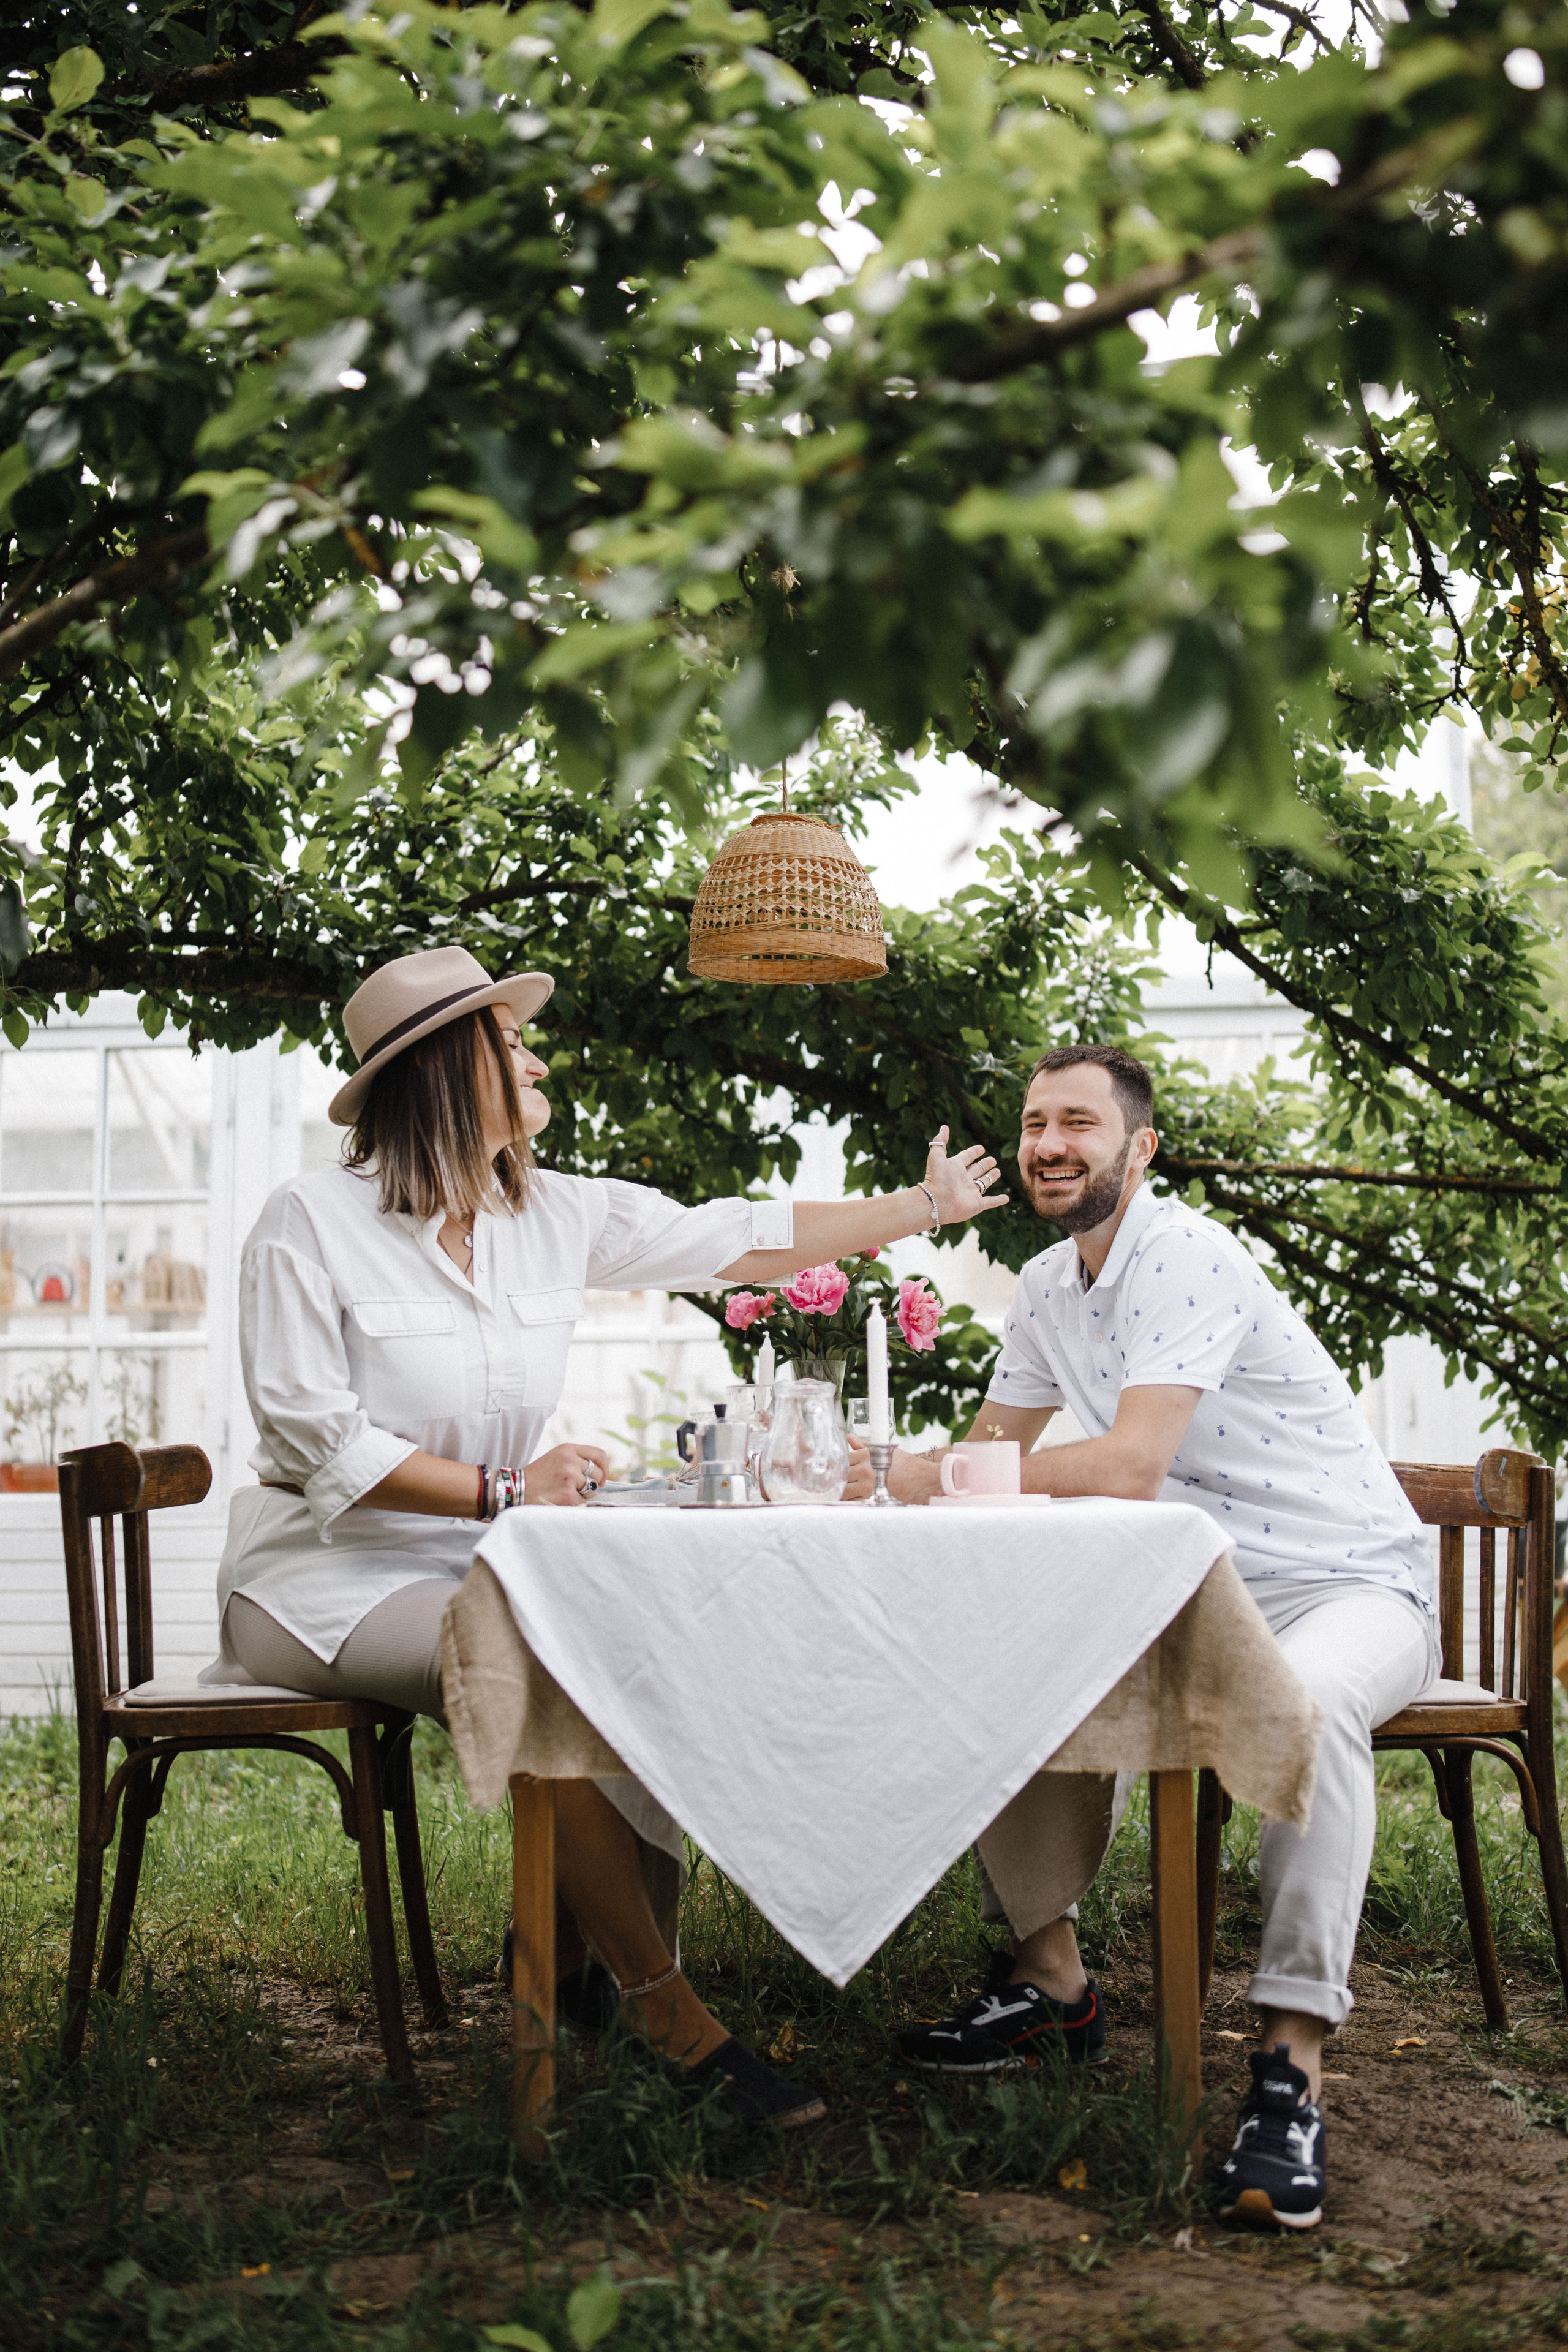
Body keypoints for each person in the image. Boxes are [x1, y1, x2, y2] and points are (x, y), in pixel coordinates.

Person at [211, 943, 1005, 2128]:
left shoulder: (550, 1212)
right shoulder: (307, 1223)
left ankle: (571, 1961)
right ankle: (662, 2008)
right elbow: (316, 1439)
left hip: (489, 1560)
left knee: (641, 1641)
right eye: (511, 1041)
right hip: (324, 1582)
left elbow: (740, 1237)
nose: (536, 1059)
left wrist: (923, 1207)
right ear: (445, 1068)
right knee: (542, 1666)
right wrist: (505, 1488)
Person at [888, 1042, 1438, 2230]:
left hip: (1341, 1587)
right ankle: (1051, 1986)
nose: (1048, 1145)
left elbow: (1128, 1464)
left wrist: (924, 1475)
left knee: (1303, 1704)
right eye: (1034, 1123)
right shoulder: (1047, 1284)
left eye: (1077, 1124)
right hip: (1176, 1588)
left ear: (1138, 1149)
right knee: (1003, 1665)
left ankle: (1288, 2070)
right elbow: (989, 1457)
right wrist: (891, 1474)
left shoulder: (1184, 1253)